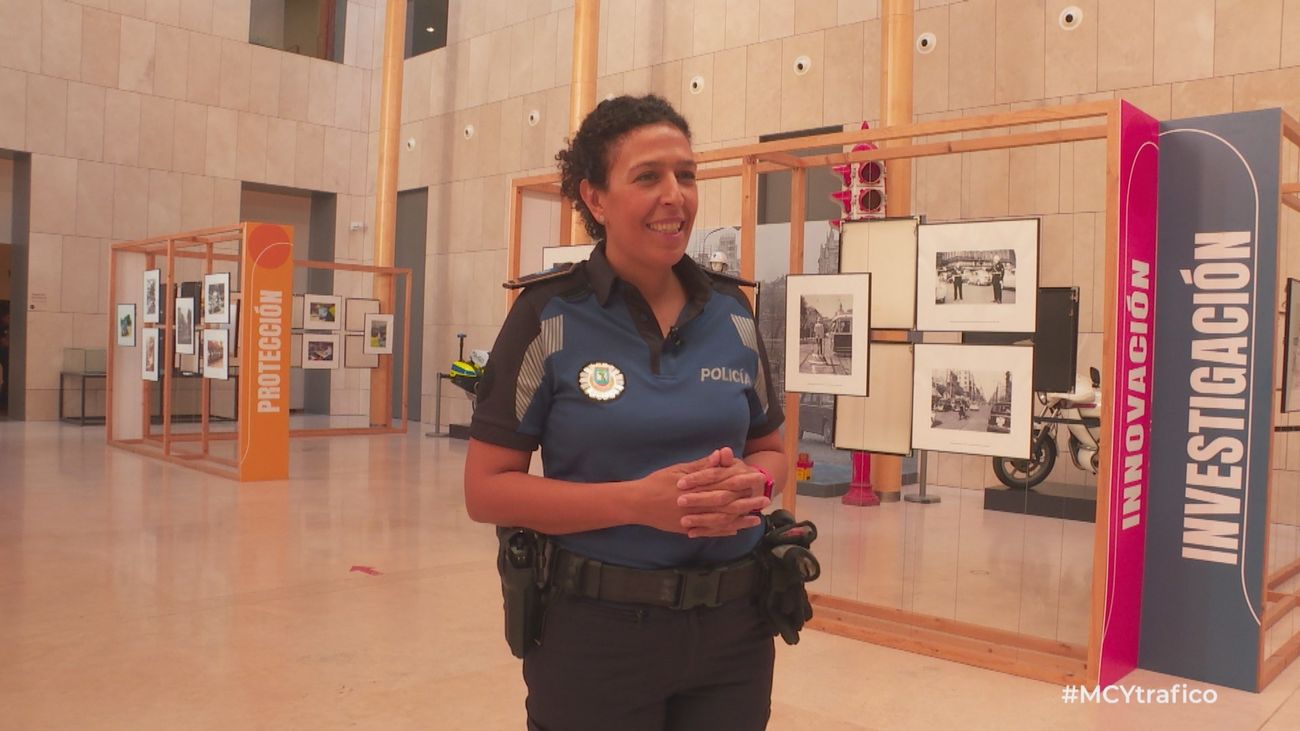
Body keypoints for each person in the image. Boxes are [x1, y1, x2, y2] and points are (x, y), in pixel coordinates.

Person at [464, 94, 789, 730]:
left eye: (686, 174)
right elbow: (485, 490)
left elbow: (773, 449)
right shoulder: (547, 317)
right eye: (648, 177)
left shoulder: (732, 313)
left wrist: (758, 485)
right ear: (595, 199)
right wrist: (637, 504)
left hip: (734, 630)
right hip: (596, 636)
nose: (676, 196)